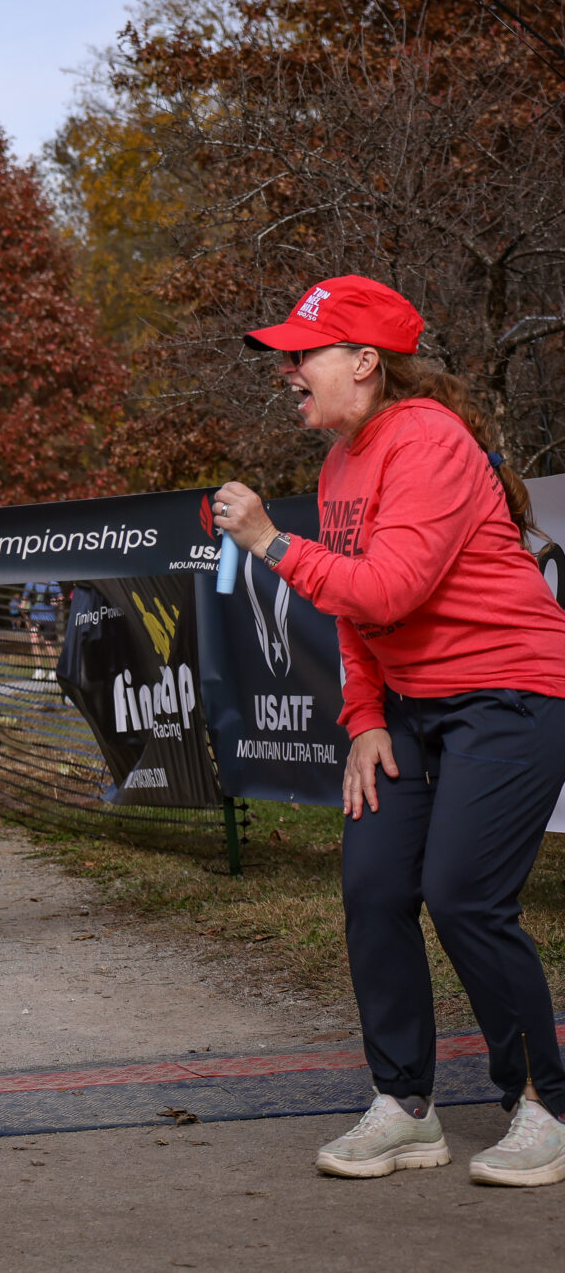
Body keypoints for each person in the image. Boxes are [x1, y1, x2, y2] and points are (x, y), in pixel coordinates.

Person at [210, 275, 565, 1188]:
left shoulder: (427, 439)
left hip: (508, 690)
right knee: (373, 887)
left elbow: (389, 586)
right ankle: (406, 1105)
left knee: (463, 896)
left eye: (304, 353)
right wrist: (365, 716)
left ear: (366, 362)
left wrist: (269, 542)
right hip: (409, 705)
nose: (288, 370)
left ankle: (545, 1104)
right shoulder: (340, 464)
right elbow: (356, 616)